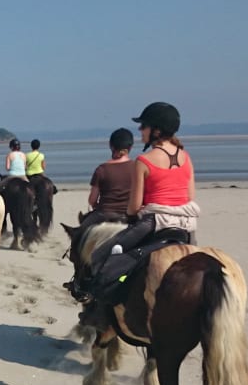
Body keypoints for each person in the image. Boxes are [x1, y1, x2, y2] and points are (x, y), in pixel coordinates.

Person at [81, 103, 200, 328]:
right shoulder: (186, 157)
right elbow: (189, 197)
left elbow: (134, 207)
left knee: (102, 258)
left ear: (156, 130)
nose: (140, 131)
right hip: (186, 227)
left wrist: (135, 213)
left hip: (154, 223)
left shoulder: (144, 161)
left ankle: (102, 314)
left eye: (143, 126)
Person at [81, 128, 134, 225]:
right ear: (131, 147)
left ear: (110, 145)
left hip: (105, 214)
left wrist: (97, 206)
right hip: (130, 216)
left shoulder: (101, 170)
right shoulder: (137, 167)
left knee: (80, 233)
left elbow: (92, 200)